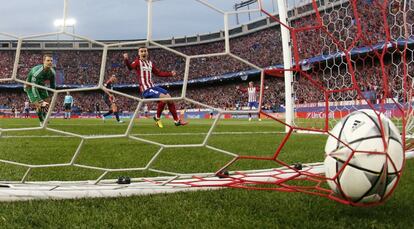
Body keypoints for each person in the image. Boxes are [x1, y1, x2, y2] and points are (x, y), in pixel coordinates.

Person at [123, 47, 188, 128]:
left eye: (145, 51)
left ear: (147, 53)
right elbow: (130, 68)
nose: (143, 53)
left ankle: (176, 121)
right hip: (146, 89)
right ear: (139, 53)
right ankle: (157, 117)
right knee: (164, 99)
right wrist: (126, 59)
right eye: (141, 51)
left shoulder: (150, 63)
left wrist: (170, 74)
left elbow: (158, 73)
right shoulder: (137, 62)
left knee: (169, 98)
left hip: (153, 87)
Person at [24, 54, 55, 125]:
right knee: (39, 105)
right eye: (48, 60)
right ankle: (42, 121)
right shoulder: (36, 73)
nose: (50, 62)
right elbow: (34, 87)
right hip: (30, 87)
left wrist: (53, 94)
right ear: (43, 61)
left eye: (51, 61)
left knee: (46, 103)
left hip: (41, 86)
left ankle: (44, 117)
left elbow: (53, 85)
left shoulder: (52, 72)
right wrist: (40, 100)